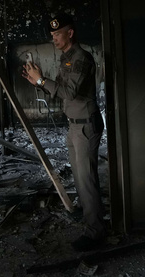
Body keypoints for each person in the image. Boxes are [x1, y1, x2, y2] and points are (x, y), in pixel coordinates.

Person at [21, 14, 107, 251]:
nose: (54, 39)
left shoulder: (82, 58)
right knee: (80, 179)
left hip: (85, 125)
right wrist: (37, 81)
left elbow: (69, 92)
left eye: (58, 34)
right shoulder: (66, 59)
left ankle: (96, 232)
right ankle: (90, 216)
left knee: (87, 180)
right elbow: (57, 91)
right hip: (74, 125)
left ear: (70, 33)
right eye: (52, 36)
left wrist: (41, 82)